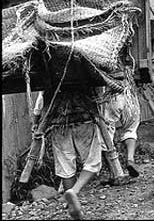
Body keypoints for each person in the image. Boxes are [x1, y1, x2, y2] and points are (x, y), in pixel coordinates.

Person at [33, 87, 102, 220]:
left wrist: (36, 124)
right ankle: (74, 191)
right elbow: (99, 97)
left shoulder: (47, 81)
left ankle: (71, 204)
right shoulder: (85, 77)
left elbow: (39, 105)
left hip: (58, 124)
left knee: (66, 166)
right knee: (93, 162)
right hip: (84, 121)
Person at [99, 67, 141, 181]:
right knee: (131, 129)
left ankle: (115, 172)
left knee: (107, 132)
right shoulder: (127, 60)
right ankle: (130, 159)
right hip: (129, 95)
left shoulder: (102, 58)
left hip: (113, 95)